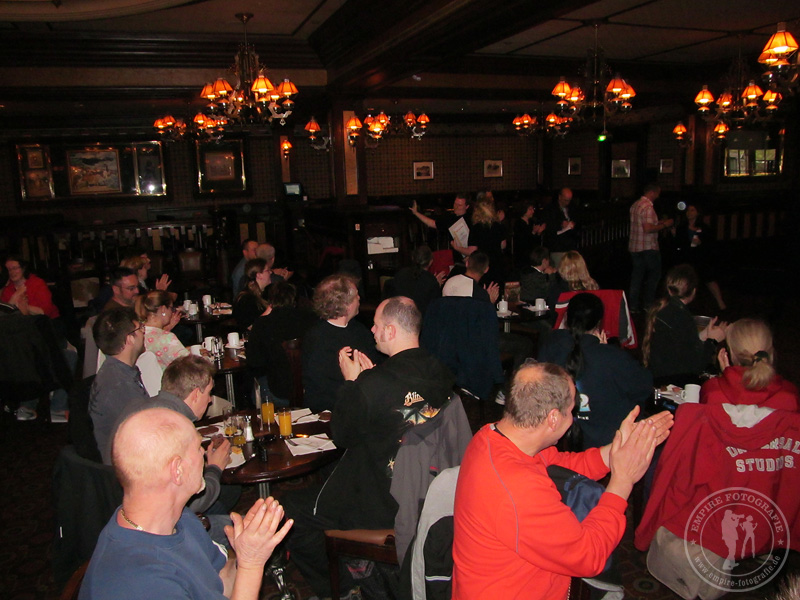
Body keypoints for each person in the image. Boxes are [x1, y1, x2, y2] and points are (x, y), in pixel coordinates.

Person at [452, 361, 673, 600]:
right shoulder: (518, 488)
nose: (573, 417)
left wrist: (618, 451)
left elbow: (560, 464)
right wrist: (623, 482)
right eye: (571, 410)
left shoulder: (494, 437)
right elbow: (589, 556)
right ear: (554, 419)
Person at [284, 297, 455, 599]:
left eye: (376, 325)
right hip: (427, 487)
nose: (372, 330)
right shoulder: (440, 370)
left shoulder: (372, 385)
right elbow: (399, 406)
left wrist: (353, 384)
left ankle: (344, 588)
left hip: (382, 500)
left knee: (289, 511)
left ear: (390, 331)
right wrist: (369, 380)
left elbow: (341, 435)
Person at [78, 407, 293, 600]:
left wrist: (244, 553)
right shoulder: (141, 582)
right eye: (198, 447)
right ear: (177, 470)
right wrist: (251, 564)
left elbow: (219, 582)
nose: (204, 453)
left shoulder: (179, 519)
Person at [114, 355, 239, 520]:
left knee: (227, 493)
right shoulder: (174, 427)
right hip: (159, 518)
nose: (210, 400)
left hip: (124, 503)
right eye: (209, 393)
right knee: (229, 509)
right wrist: (215, 467)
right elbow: (193, 503)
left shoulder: (141, 407)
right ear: (196, 394)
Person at [538, 293, 653, 448]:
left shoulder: (552, 343)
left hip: (557, 437)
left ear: (566, 317)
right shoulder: (612, 357)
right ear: (599, 322)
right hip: (604, 442)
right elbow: (643, 388)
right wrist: (606, 350)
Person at [2, 255, 74, 422]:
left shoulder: (36, 283)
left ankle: (57, 404)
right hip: (22, 335)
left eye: (15, 268)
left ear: (23, 268)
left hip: (47, 328)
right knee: (32, 358)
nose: (12, 272)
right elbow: (7, 312)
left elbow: (44, 311)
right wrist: (18, 300)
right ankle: (30, 404)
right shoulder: (8, 290)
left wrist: (24, 307)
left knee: (67, 354)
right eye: (8, 269)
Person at [302, 273, 381, 413]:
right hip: (329, 412)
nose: (359, 298)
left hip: (359, 403)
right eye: (356, 295)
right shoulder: (317, 338)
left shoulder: (359, 329)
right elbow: (323, 388)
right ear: (346, 305)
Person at [642, 264, 726, 383]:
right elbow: (695, 367)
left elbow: (680, 344)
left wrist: (704, 335)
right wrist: (713, 341)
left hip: (657, 375)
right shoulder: (682, 317)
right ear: (693, 291)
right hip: (673, 381)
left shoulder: (661, 309)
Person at [89, 307, 149, 464]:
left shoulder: (117, 371)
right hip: (128, 464)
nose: (144, 332)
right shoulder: (119, 384)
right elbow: (144, 433)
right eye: (141, 328)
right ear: (130, 339)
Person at [701, 318, 798, 411]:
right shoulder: (790, 395)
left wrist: (728, 378)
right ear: (771, 352)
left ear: (732, 355)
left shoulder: (712, 391)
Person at [247, 282, 317, 406]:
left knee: (258, 381)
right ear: (294, 298)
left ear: (271, 301)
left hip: (276, 390)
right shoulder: (312, 319)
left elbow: (254, 362)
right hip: (309, 387)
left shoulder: (263, 324)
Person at [628, 184, 674, 313]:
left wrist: (658, 223)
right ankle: (648, 304)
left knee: (637, 277)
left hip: (635, 246)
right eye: (658, 193)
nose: (658, 196)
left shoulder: (635, 205)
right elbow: (648, 229)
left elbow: (643, 224)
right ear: (652, 192)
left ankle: (633, 306)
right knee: (653, 276)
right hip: (648, 247)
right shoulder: (648, 207)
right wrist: (665, 225)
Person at [674, 204, 726, 310]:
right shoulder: (681, 228)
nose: (689, 213)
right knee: (686, 281)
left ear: (698, 213)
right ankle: (682, 304)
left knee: (709, 279)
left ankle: (720, 301)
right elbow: (678, 243)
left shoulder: (704, 228)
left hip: (701, 257)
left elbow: (711, 243)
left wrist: (701, 243)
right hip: (687, 257)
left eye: (692, 210)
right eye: (688, 210)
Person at [456, 196, 507, 286]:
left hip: (482, 264)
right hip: (497, 263)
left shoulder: (476, 228)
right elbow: (503, 245)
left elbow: (472, 250)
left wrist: (457, 247)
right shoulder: (498, 225)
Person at [409, 193, 470, 264]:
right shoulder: (450, 218)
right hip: (458, 259)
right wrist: (416, 213)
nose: (456, 207)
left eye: (459, 205)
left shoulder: (472, 219)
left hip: (472, 257)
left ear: (467, 206)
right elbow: (432, 223)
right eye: (455, 204)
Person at [134, 290, 187, 370]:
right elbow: (189, 364)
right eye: (171, 308)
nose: (172, 312)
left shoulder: (137, 334)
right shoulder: (167, 338)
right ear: (163, 310)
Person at [386, 245, 444, 315]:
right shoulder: (431, 281)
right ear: (431, 261)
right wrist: (437, 285)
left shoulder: (400, 273)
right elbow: (435, 307)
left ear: (412, 258)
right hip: (419, 318)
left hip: (398, 314)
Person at [545, 250, 598, 321]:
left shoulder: (558, 289)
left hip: (563, 325)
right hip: (589, 325)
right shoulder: (593, 286)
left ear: (562, 267)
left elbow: (553, 314)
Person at [542, 188, 579, 268]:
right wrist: (561, 224)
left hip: (570, 245)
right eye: (565, 200)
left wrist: (573, 224)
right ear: (560, 197)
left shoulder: (572, 207)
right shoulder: (550, 209)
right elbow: (548, 226)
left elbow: (578, 220)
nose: (567, 203)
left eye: (569, 200)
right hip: (557, 246)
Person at [232, 258, 270, 330]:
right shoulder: (246, 299)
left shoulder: (265, 293)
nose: (270, 273)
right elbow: (250, 327)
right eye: (267, 271)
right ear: (259, 275)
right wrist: (269, 310)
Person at [513, 202, 546, 270]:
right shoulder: (518, 224)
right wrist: (533, 232)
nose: (532, 211)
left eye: (533, 209)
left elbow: (535, 242)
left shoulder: (532, 222)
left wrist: (538, 233)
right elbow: (522, 242)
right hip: (522, 257)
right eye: (530, 209)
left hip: (532, 256)